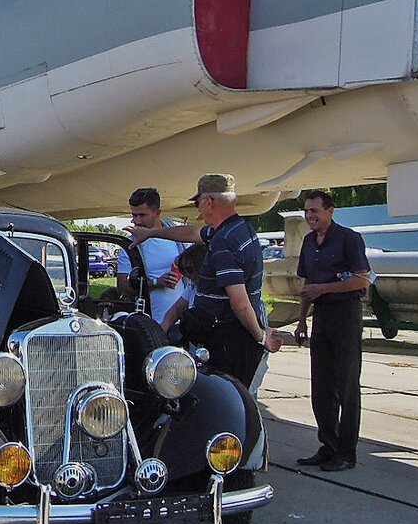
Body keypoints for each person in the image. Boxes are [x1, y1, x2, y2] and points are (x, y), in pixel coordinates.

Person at [126, 173, 281, 387]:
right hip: (229, 338)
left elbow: (239, 301)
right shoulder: (235, 230)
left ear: (209, 202)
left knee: (225, 403)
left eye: (199, 202)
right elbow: (191, 232)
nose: (198, 209)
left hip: (229, 342)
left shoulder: (225, 242)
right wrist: (150, 233)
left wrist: (261, 338)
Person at [293, 191, 372, 472]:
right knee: (322, 385)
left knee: (347, 384)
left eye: (315, 211)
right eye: (307, 211)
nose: (310, 216)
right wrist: (302, 320)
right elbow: (307, 284)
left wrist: (323, 289)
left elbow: (363, 280)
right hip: (322, 316)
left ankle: (347, 452)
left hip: (345, 314)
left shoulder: (348, 239)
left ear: (330, 211)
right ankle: (328, 444)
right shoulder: (309, 242)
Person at [115, 188, 189, 323]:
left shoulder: (179, 237)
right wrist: (156, 283)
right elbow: (123, 288)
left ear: (157, 213)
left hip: (182, 323)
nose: (136, 221)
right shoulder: (130, 244)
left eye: (142, 215)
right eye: (134, 215)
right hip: (149, 324)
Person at [158, 243, 207, 341]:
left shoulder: (218, 288)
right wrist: (162, 331)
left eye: (190, 269)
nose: (187, 274)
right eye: (183, 270)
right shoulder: (192, 287)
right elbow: (177, 309)